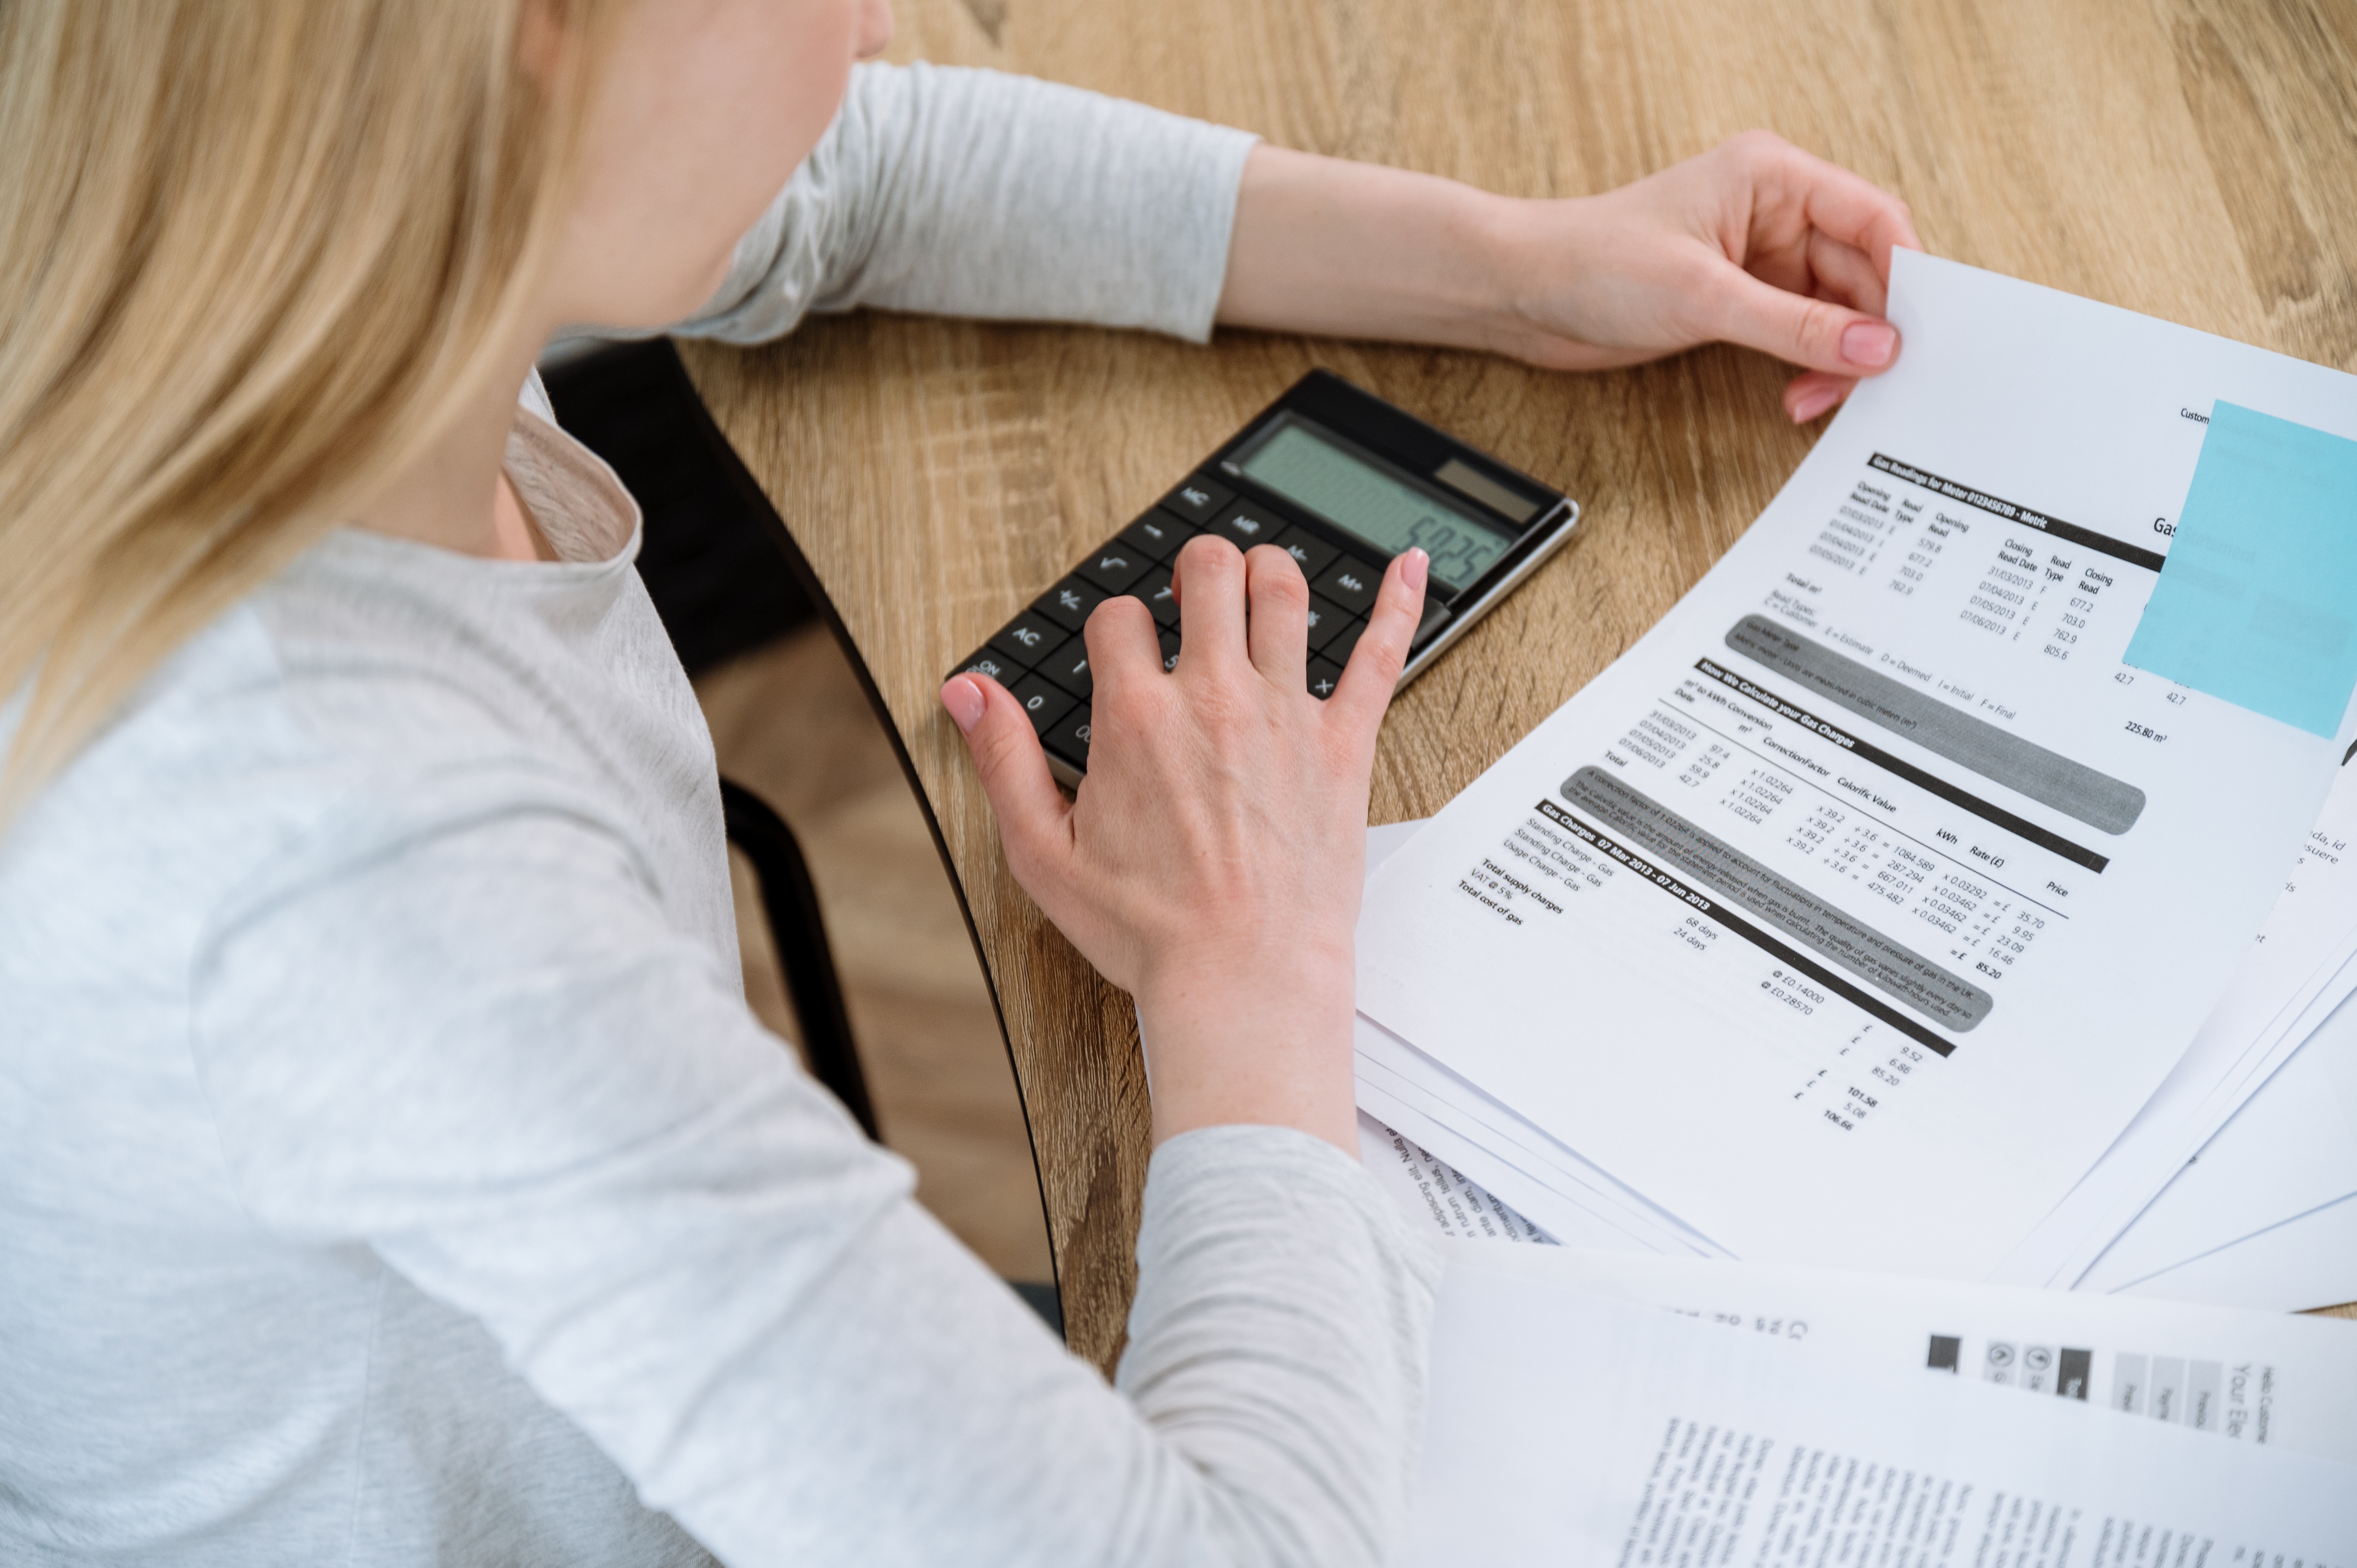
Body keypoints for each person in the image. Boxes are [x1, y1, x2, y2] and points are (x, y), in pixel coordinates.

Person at [0, 1, 1919, 1563]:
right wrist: (1250, 976)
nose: (887, 20)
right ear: (533, 39)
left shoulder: (265, 237)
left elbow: (843, 166)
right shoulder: (352, 874)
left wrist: (1517, 271)